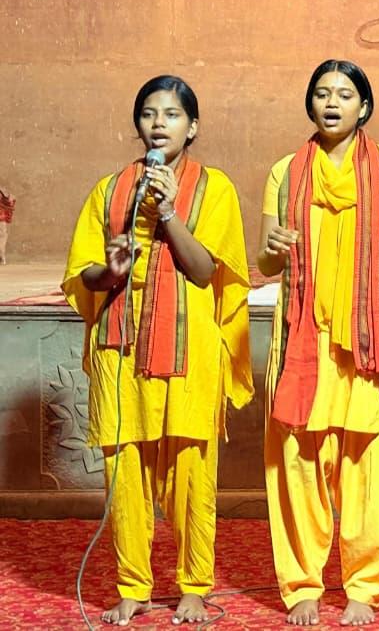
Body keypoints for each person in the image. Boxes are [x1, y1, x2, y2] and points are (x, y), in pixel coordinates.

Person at [63, 74, 252, 626]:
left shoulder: (213, 189)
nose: (158, 124)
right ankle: (133, 585)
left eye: (171, 114)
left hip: (189, 350)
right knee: (125, 473)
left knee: (192, 475)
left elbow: (203, 272)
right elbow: (85, 275)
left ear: (193, 127)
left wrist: (168, 215)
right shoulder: (109, 190)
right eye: (149, 114)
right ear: (137, 125)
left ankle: (194, 585)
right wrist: (111, 270)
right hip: (120, 350)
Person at [259, 59, 379, 627]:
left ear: (364, 108)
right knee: (299, 461)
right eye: (322, 94)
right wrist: (273, 250)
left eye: (345, 95)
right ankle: (301, 583)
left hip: (369, 339)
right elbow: (264, 261)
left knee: (369, 466)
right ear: (311, 104)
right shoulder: (284, 172)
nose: (332, 103)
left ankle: (363, 586)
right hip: (305, 339)